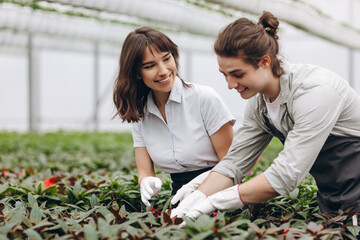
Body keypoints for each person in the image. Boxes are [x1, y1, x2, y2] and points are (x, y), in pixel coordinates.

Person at [171, 11, 360, 219]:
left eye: (238, 74)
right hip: (333, 194)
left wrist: (216, 201)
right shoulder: (259, 103)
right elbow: (235, 163)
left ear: (265, 62)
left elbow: (285, 176)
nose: (230, 85)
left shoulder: (315, 93)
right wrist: (199, 193)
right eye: (224, 75)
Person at [113, 27, 236, 208]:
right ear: (137, 73)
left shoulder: (204, 98)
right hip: (179, 200)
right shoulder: (141, 113)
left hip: (221, 195)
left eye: (167, 58)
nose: (163, 71)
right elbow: (145, 170)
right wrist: (146, 181)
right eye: (150, 66)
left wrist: (199, 187)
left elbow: (232, 163)